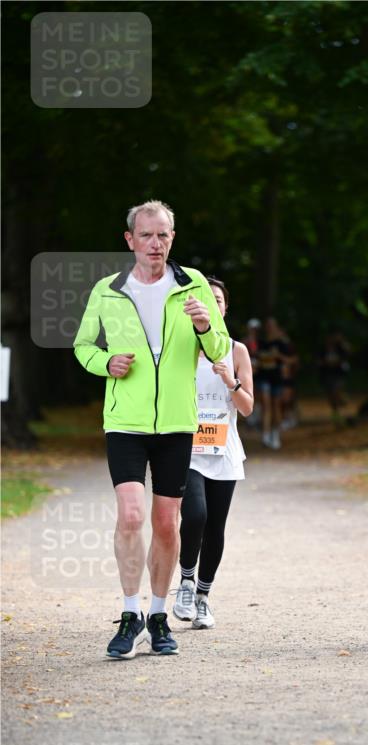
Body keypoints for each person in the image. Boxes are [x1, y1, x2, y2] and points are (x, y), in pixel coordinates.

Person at [74, 200, 229, 658]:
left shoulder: (192, 285)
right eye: (146, 235)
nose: (155, 244)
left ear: (172, 239)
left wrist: (204, 324)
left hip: (177, 423)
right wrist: (106, 362)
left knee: (166, 522)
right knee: (131, 515)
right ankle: (129, 614)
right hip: (125, 420)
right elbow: (83, 346)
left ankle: (158, 616)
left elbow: (219, 346)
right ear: (130, 240)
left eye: (163, 235)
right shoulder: (108, 290)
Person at [172, 277, 254, 628]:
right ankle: (186, 582)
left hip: (224, 451)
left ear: (224, 306)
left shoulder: (236, 351)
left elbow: (248, 407)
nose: (213, 305)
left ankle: (203, 597)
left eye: (218, 299)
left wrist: (229, 380)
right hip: (188, 449)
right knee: (195, 516)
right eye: (206, 300)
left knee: (216, 526)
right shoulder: (180, 348)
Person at [255, 316, 290, 449]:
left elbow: (288, 361)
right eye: (268, 326)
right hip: (263, 378)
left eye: (272, 325)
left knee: (276, 406)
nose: (270, 328)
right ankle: (265, 434)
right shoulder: (261, 343)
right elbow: (256, 359)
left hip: (276, 378)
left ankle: (275, 434)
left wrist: (278, 356)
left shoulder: (281, 344)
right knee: (266, 405)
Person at [319, 332, 351, 423]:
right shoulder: (323, 349)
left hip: (338, 373)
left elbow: (347, 355)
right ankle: (336, 412)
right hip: (327, 374)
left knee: (336, 390)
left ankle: (341, 401)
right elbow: (319, 361)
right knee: (330, 394)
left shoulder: (340, 348)